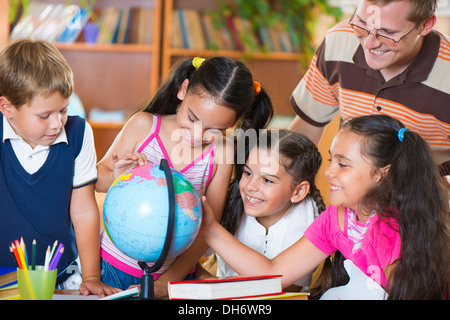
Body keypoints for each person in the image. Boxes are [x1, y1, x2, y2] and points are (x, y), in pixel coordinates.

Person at [201, 114, 450, 299]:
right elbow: (274, 273)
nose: (329, 172)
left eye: (343, 164)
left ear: (381, 175)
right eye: (331, 160)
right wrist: (210, 229)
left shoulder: (396, 229)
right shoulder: (335, 219)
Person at [96, 56, 273, 296]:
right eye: (192, 118)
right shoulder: (143, 126)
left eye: (215, 129)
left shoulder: (222, 151)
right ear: (183, 89)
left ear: (232, 124)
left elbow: (206, 229)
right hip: (111, 266)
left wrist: (165, 283)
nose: (197, 134)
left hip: (174, 277)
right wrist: (117, 174)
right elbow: (98, 178)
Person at [0, 38, 118, 297]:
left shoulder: (78, 132)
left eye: (63, 110)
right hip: (4, 278)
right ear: (7, 108)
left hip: (62, 274)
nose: (57, 124)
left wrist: (91, 276)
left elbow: (84, 210)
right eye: (45, 116)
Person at [289, 0, 450, 179]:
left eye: (388, 32)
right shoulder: (338, 41)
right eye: (363, 24)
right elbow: (305, 129)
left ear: (426, 25)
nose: (369, 44)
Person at [197, 129, 326, 292]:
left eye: (267, 180)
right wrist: (204, 279)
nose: (250, 186)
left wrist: (219, 285)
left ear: (298, 192)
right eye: (247, 172)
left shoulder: (307, 216)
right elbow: (190, 261)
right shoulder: (229, 202)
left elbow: (286, 287)